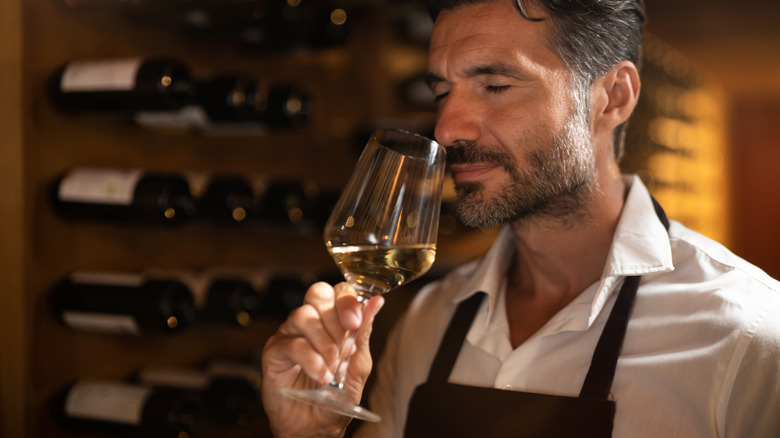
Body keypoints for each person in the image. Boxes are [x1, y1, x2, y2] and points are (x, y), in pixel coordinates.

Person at [261, 0, 780, 436]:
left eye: (495, 86)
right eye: (442, 91)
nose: (446, 129)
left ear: (612, 98)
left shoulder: (748, 337)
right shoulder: (426, 321)